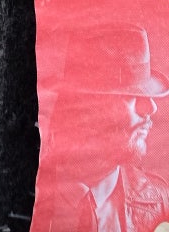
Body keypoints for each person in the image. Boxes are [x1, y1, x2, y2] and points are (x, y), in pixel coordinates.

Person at [55, 25, 169, 232]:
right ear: (89, 107)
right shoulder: (27, 192)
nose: (151, 108)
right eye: (131, 95)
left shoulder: (160, 203)